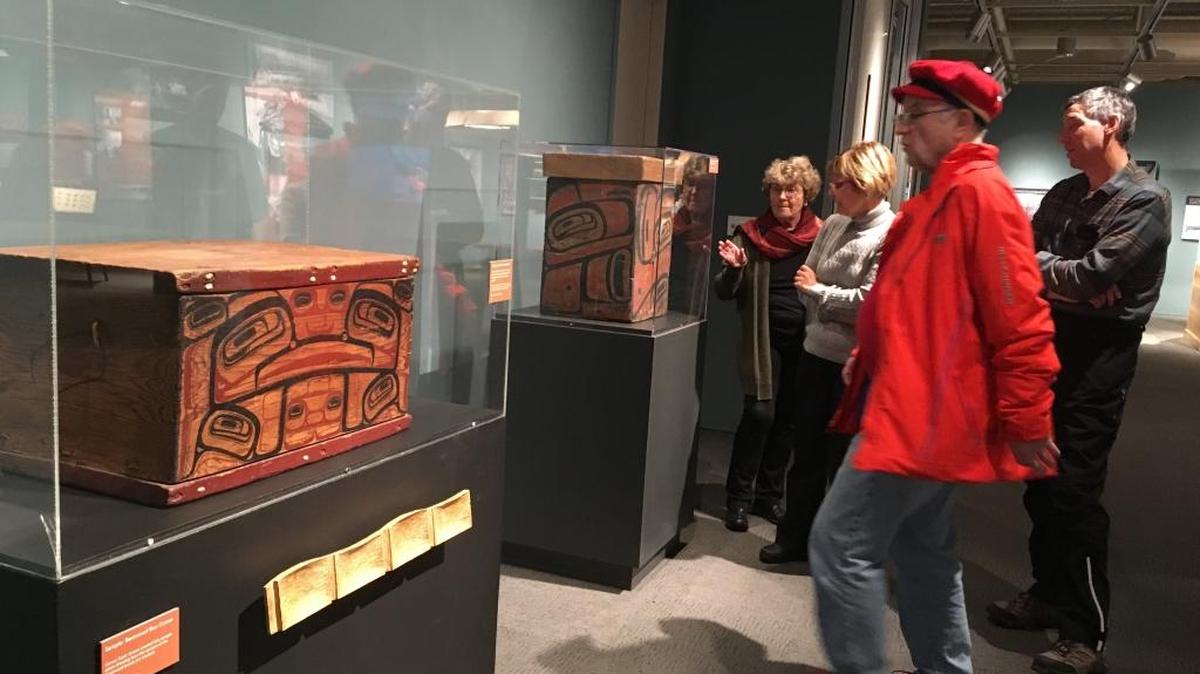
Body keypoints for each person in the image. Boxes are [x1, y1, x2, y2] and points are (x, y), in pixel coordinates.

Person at [808, 60, 1061, 674]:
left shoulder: (979, 198)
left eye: (915, 114)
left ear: (962, 119)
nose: (902, 127)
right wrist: (868, 355)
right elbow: (914, 303)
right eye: (903, 114)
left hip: (924, 417)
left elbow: (1020, 318)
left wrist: (1028, 420)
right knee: (924, 551)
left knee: (841, 546)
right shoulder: (942, 198)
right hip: (912, 406)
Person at [986, 86, 1171, 674]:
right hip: (1048, 350)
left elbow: (1091, 278)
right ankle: (1047, 593)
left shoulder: (1146, 201)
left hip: (1099, 362)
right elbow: (1021, 261)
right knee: (1040, 484)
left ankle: (1085, 632)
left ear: (1111, 124)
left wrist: (1070, 280)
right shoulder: (1067, 193)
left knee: (1074, 493)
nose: (1062, 137)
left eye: (1073, 125)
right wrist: (1070, 280)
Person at [758, 141, 896, 565]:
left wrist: (821, 293)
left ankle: (836, 552)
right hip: (814, 354)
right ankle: (795, 537)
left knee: (844, 465)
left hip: (853, 368)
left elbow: (869, 302)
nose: (833, 191)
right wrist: (827, 298)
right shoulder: (835, 224)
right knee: (808, 454)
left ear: (868, 184)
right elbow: (804, 283)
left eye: (841, 184)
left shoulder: (890, 231)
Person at [713, 156, 822, 532]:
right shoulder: (750, 234)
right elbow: (725, 293)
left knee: (788, 421)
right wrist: (735, 270)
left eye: (790, 189)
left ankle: (769, 497)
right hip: (761, 341)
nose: (782, 197)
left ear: (805, 194)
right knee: (760, 415)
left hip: (806, 342)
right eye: (776, 189)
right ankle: (738, 499)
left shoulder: (821, 236)